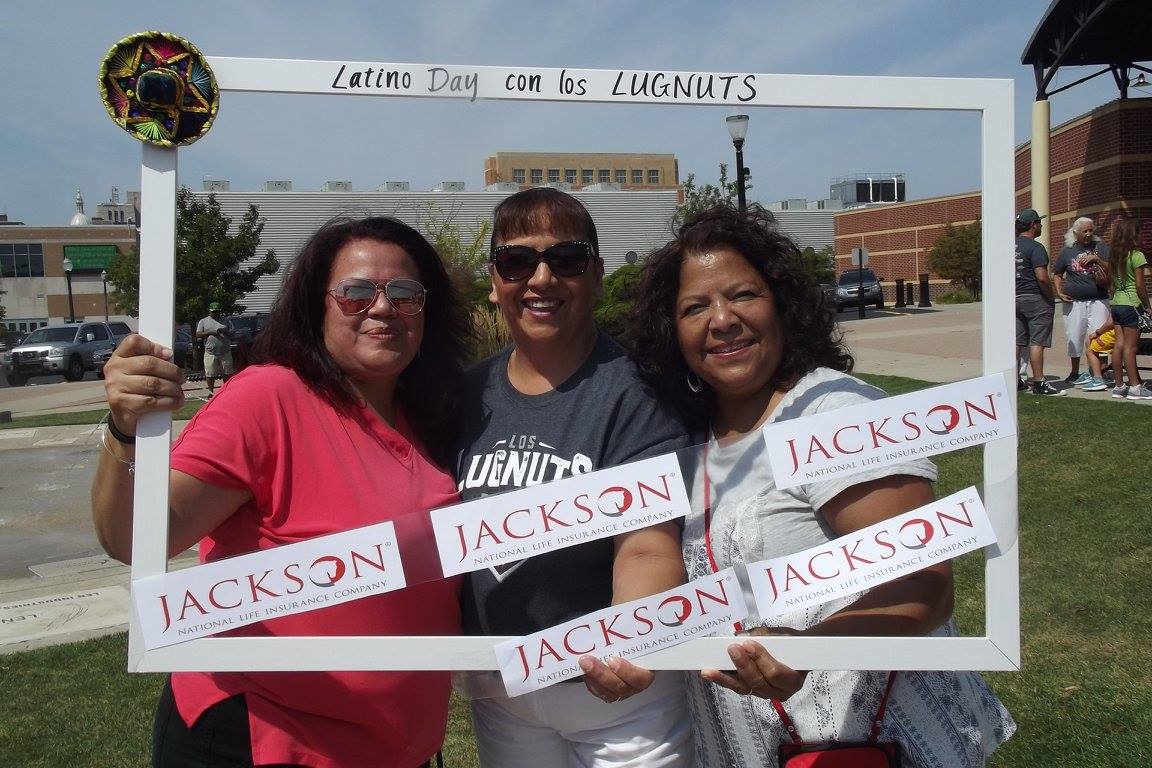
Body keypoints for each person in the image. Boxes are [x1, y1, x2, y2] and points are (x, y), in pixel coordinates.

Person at [627, 204, 1015, 767]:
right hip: (753, 748)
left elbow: (924, 584)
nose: (722, 319)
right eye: (695, 307)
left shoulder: (835, 413)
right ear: (674, 332)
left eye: (743, 295)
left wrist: (808, 648)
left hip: (877, 741)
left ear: (782, 305)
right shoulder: (684, 442)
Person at [91, 216, 473, 768]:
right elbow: (134, 537)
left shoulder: (435, 416)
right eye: (356, 292)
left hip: (396, 743)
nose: (383, 308)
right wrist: (126, 429)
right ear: (316, 306)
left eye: (406, 293)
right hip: (265, 737)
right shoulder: (268, 397)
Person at [456, 187, 694, 767]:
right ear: (494, 280)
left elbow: (645, 544)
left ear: (596, 275)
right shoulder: (464, 394)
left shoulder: (636, 391)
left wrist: (627, 643)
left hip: (617, 698)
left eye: (567, 259)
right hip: (502, 688)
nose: (541, 278)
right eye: (516, 261)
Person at [1054, 216, 1110, 385]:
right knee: (1074, 335)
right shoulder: (1067, 251)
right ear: (1075, 232)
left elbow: (1112, 268)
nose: (1088, 234)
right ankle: (1075, 372)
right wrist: (1059, 292)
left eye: (1090, 230)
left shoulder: (1101, 247)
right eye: (1084, 231)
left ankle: (1100, 372)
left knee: (1100, 336)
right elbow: (1057, 274)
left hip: (1099, 299)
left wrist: (1096, 259)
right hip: (1074, 302)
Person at [1014, 209, 1063, 395]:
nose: (1041, 226)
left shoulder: (1009, 246)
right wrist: (1051, 297)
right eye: (1039, 223)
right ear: (1033, 225)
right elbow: (1042, 277)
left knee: (1017, 341)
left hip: (1014, 299)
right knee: (1037, 342)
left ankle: (1015, 379)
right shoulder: (1036, 248)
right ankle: (1039, 382)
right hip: (1035, 298)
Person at [1104, 217, 1151, 400]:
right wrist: (1147, 305)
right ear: (1134, 235)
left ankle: (1119, 386)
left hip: (1116, 304)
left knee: (1119, 345)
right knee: (1131, 348)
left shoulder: (1115, 256)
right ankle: (1135, 387)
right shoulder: (1137, 255)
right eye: (1140, 233)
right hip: (1131, 304)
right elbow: (1140, 285)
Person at [196, 302, 234, 396]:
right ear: (209, 311)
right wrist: (210, 332)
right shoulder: (203, 321)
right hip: (210, 352)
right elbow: (198, 334)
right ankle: (210, 392)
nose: (215, 313)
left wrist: (225, 331)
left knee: (227, 373)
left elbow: (233, 332)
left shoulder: (226, 321)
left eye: (217, 311)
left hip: (225, 352)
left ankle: (227, 391)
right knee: (210, 374)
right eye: (213, 311)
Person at [1081, 315, 1115, 392]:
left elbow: (1111, 322)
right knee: (1089, 342)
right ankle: (1098, 375)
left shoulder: (1118, 303)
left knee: (1090, 350)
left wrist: (1097, 332)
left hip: (1116, 333)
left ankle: (1098, 380)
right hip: (1129, 333)